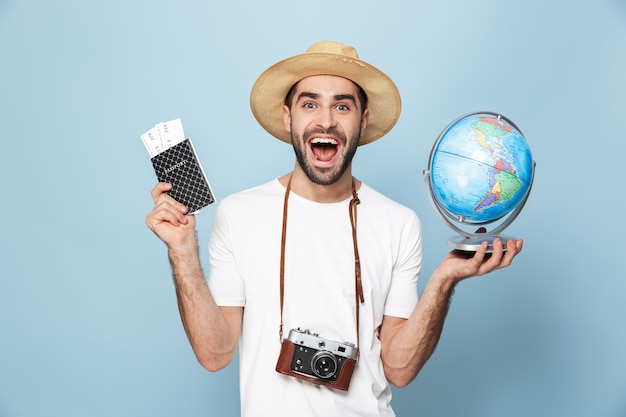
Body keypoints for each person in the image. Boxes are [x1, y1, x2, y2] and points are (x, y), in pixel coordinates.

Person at [145, 40, 523, 417]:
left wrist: (445, 279)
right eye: (310, 104)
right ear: (288, 117)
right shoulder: (238, 213)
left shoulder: (399, 223)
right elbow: (215, 354)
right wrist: (182, 252)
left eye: (342, 106)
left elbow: (400, 369)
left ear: (362, 119)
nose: (325, 120)